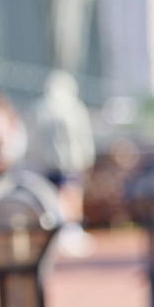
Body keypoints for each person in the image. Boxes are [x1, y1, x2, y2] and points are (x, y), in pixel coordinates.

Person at [27, 71, 97, 256]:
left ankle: (67, 231)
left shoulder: (42, 108)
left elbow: (32, 140)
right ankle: (67, 231)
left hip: (55, 162)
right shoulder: (73, 108)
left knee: (63, 196)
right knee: (67, 196)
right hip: (66, 161)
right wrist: (86, 157)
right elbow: (84, 137)